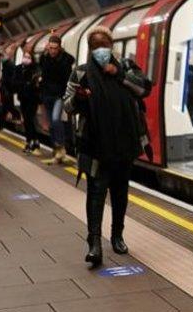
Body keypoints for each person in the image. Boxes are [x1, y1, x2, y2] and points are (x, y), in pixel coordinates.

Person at [64, 26, 152, 267]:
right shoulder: (80, 73)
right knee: (95, 192)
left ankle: (117, 235)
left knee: (120, 192)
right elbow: (67, 105)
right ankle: (94, 243)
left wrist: (118, 74)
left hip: (124, 141)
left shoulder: (126, 66)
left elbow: (144, 88)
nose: (100, 51)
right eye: (95, 47)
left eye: (104, 46)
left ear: (111, 47)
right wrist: (80, 98)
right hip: (94, 143)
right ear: (90, 50)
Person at [39, 34, 75, 164]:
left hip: (59, 95)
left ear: (59, 48)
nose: (52, 51)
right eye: (50, 48)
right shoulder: (45, 58)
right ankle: (57, 150)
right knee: (51, 126)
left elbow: (67, 78)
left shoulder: (66, 60)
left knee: (55, 119)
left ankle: (61, 147)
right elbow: (43, 74)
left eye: (55, 48)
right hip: (47, 95)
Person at [17, 53, 42, 153]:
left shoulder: (36, 69)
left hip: (33, 98)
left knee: (28, 118)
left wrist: (28, 84)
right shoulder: (18, 69)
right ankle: (35, 140)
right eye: (25, 57)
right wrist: (25, 84)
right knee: (28, 119)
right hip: (23, 98)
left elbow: (37, 84)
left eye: (28, 57)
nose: (26, 59)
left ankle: (29, 141)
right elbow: (14, 82)